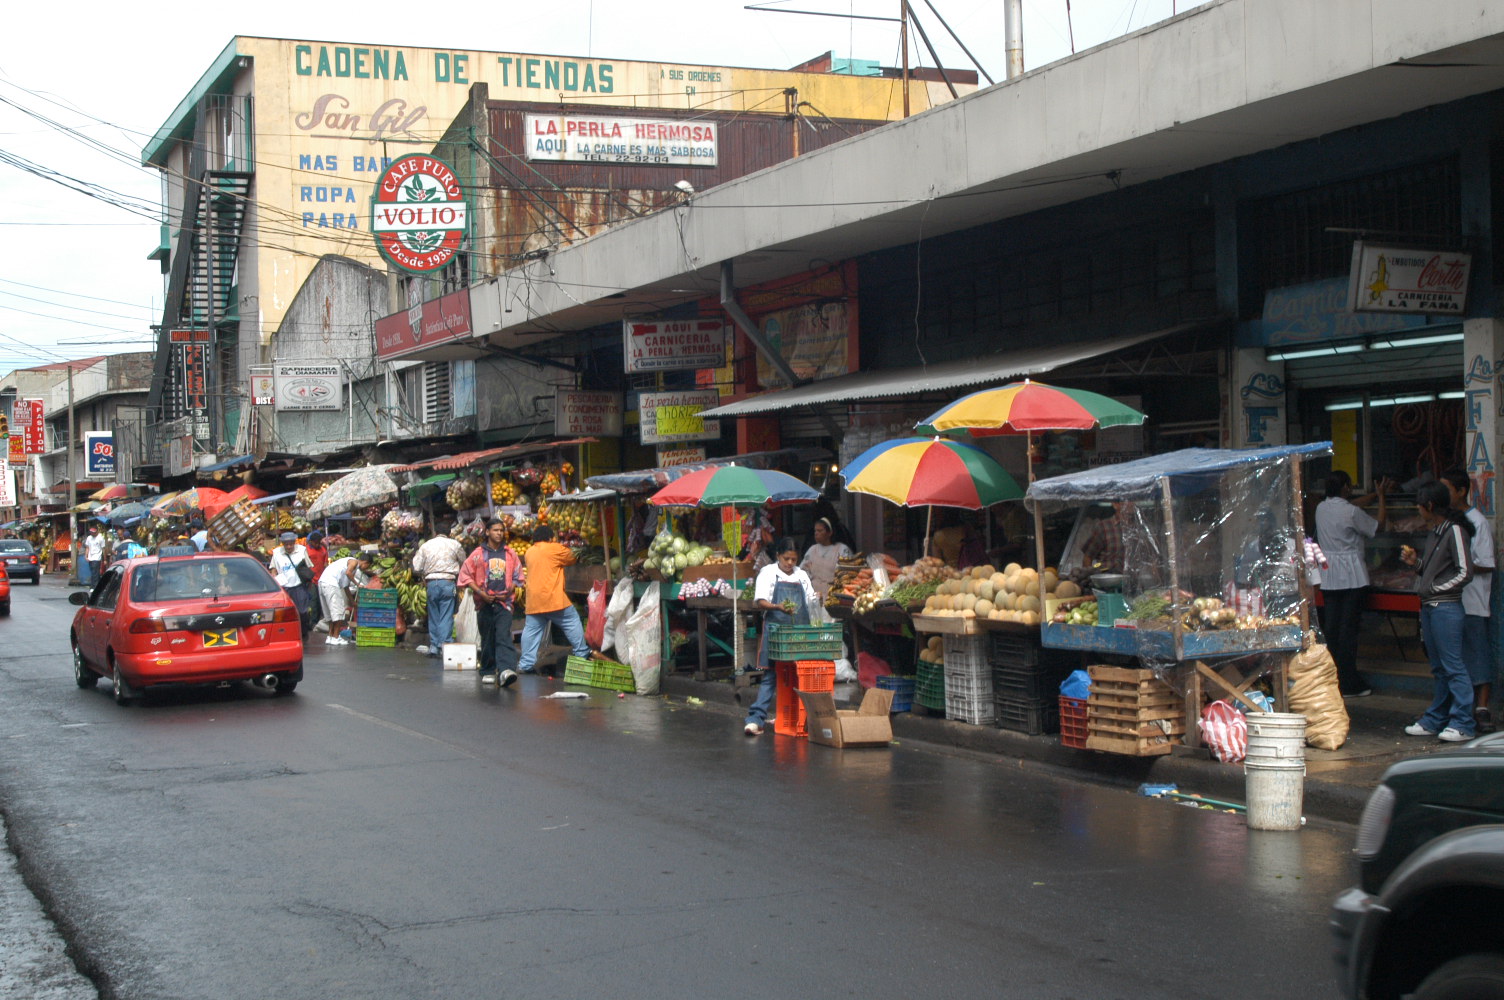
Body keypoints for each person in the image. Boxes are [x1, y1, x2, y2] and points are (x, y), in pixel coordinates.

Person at [1400, 481, 1476, 742]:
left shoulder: (1454, 531)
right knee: (1439, 668)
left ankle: (1464, 722)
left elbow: (1465, 571)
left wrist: (1435, 588)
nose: (1419, 511)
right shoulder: (1436, 532)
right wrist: (1416, 564)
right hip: (1431, 607)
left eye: (1420, 506)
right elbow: (1436, 568)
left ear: (1430, 506)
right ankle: (1436, 718)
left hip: (1446, 607)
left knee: (1453, 666)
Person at [1314, 471, 1391, 697]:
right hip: (1351, 576)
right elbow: (1380, 526)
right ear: (1346, 488)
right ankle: (1348, 682)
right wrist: (1382, 497)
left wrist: (1371, 496)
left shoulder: (1322, 508)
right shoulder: (1351, 512)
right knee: (1348, 631)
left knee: (1332, 630)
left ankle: (1331, 678)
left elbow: (1349, 507)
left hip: (1328, 576)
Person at [743, 537, 819, 737]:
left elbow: (810, 599)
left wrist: (816, 598)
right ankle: (755, 719)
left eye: (794, 559)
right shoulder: (768, 573)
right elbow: (760, 601)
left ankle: (797, 717)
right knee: (770, 675)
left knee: (799, 675)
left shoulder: (801, 575)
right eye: (787, 559)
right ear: (778, 556)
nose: (790, 563)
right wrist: (778, 607)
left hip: (799, 632)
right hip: (776, 631)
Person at [1442, 469, 1496, 733]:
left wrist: (1458, 564)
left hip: (1473, 600)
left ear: (1461, 491)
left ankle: (1482, 707)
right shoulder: (1446, 522)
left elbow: (1487, 564)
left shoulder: (1477, 522)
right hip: (1451, 600)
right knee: (1455, 659)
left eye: (1447, 489)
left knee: (1478, 656)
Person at [516, 524, 591, 676]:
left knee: (531, 631)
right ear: (550, 538)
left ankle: (525, 664)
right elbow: (571, 558)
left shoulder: (530, 552)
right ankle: (582, 654)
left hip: (534, 601)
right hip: (553, 599)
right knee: (572, 622)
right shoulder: (553, 548)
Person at [458, 518, 525, 686]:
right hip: (484, 602)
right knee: (487, 637)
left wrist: (508, 592)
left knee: (503, 635)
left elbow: (518, 577)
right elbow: (466, 575)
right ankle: (488, 669)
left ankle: (506, 670)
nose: (499, 533)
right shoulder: (478, 554)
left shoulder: (510, 554)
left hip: (504, 603)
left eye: (501, 530)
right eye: (495, 530)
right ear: (487, 532)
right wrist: (481, 593)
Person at [411, 522, 466, 659]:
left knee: (434, 615)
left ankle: (434, 646)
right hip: (448, 582)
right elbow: (463, 561)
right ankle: (445, 644)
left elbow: (417, 566)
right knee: (446, 615)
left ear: (435, 533)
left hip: (431, 583)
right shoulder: (455, 544)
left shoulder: (426, 545)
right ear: (450, 534)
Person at [317, 552, 374, 647]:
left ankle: (330, 637)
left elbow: (346, 586)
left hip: (323, 583)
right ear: (365, 562)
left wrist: (352, 602)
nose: (366, 569)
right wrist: (357, 584)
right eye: (367, 566)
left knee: (331, 614)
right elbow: (348, 573)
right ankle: (336, 637)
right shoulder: (354, 562)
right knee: (338, 612)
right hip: (331, 584)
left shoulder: (347, 564)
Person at [267, 531, 315, 637]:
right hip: (284, 587)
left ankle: (303, 632)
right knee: (287, 612)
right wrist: (275, 582)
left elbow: (309, 566)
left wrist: (309, 581)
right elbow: (273, 569)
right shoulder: (276, 553)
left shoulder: (302, 550)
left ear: (294, 542)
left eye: (290, 544)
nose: (288, 546)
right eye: (286, 544)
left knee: (302, 611)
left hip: (299, 586)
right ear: (283, 544)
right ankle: (288, 633)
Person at [800, 516, 853, 603]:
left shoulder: (842, 550)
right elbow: (803, 572)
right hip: (815, 598)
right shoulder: (812, 550)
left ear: (829, 533)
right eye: (815, 531)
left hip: (834, 598)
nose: (816, 533)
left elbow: (848, 574)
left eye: (820, 531)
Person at [304, 530, 329, 629]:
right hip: (311, 580)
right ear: (311, 542)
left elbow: (325, 563)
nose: (318, 544)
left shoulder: (323, 549)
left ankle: (319, 621)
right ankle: (313, 622)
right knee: (313, 601)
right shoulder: (306, 550)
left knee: (321, 601)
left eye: (319, 542)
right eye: (316, 542)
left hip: (322, 579)